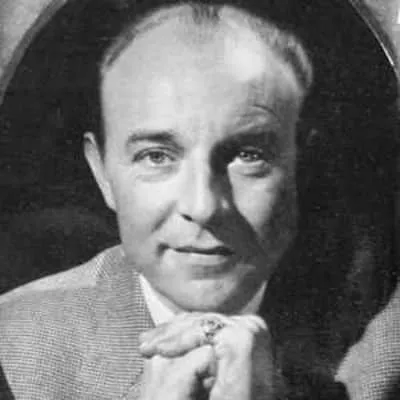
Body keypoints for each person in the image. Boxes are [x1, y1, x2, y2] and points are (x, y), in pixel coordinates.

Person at [0, 0, 398, 399]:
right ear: (103, 173)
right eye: (157, 156)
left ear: (300, 166)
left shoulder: (385, 349)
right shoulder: (15, 347)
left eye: (248, 155)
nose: (203, 206)